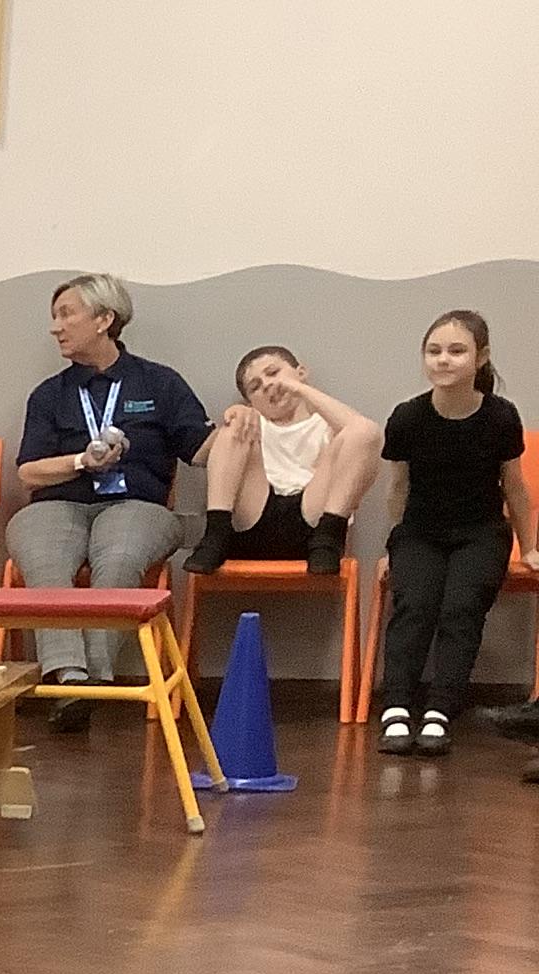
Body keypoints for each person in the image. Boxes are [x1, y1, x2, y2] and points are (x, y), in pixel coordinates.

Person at [6, 274, 212, 731]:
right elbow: (28, 472)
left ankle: (91, 682)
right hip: (58, 504)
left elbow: (201, 451)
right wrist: (81, 461)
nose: (56, 327)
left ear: (104, 319)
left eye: (66, 315)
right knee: (44, 560)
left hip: (138, 505)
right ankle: (70, 676)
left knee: (119, 559)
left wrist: (239, 423)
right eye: (54, 317)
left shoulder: (159, 382)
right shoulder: (49, 394)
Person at [374, 310, 532, 759]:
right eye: (434, 351)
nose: (443, 360)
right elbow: (398, 488)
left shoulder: (500, 416)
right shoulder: (407, 416)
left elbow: (515, 488)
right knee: (415, 605)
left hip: (481, 534)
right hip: (420, 533)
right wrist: (394, 545)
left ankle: (441, 709)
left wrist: (531, 547)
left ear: (480, 358)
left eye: (456, 351)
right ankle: (397, 707)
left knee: (461, 608)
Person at [186, 346, 381, 580]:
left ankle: (329, 537)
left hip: (315, 526)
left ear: (301, 372)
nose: (267, 385)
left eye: (273, 373)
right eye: (255, 387)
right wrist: (239, 412)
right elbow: (202, 456)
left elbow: (364, 434)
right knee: (233, 428)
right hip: (253, 520)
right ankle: (215, 535)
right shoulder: (252, 425)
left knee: (365, 430)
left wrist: (299, 388)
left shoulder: (327, 424)